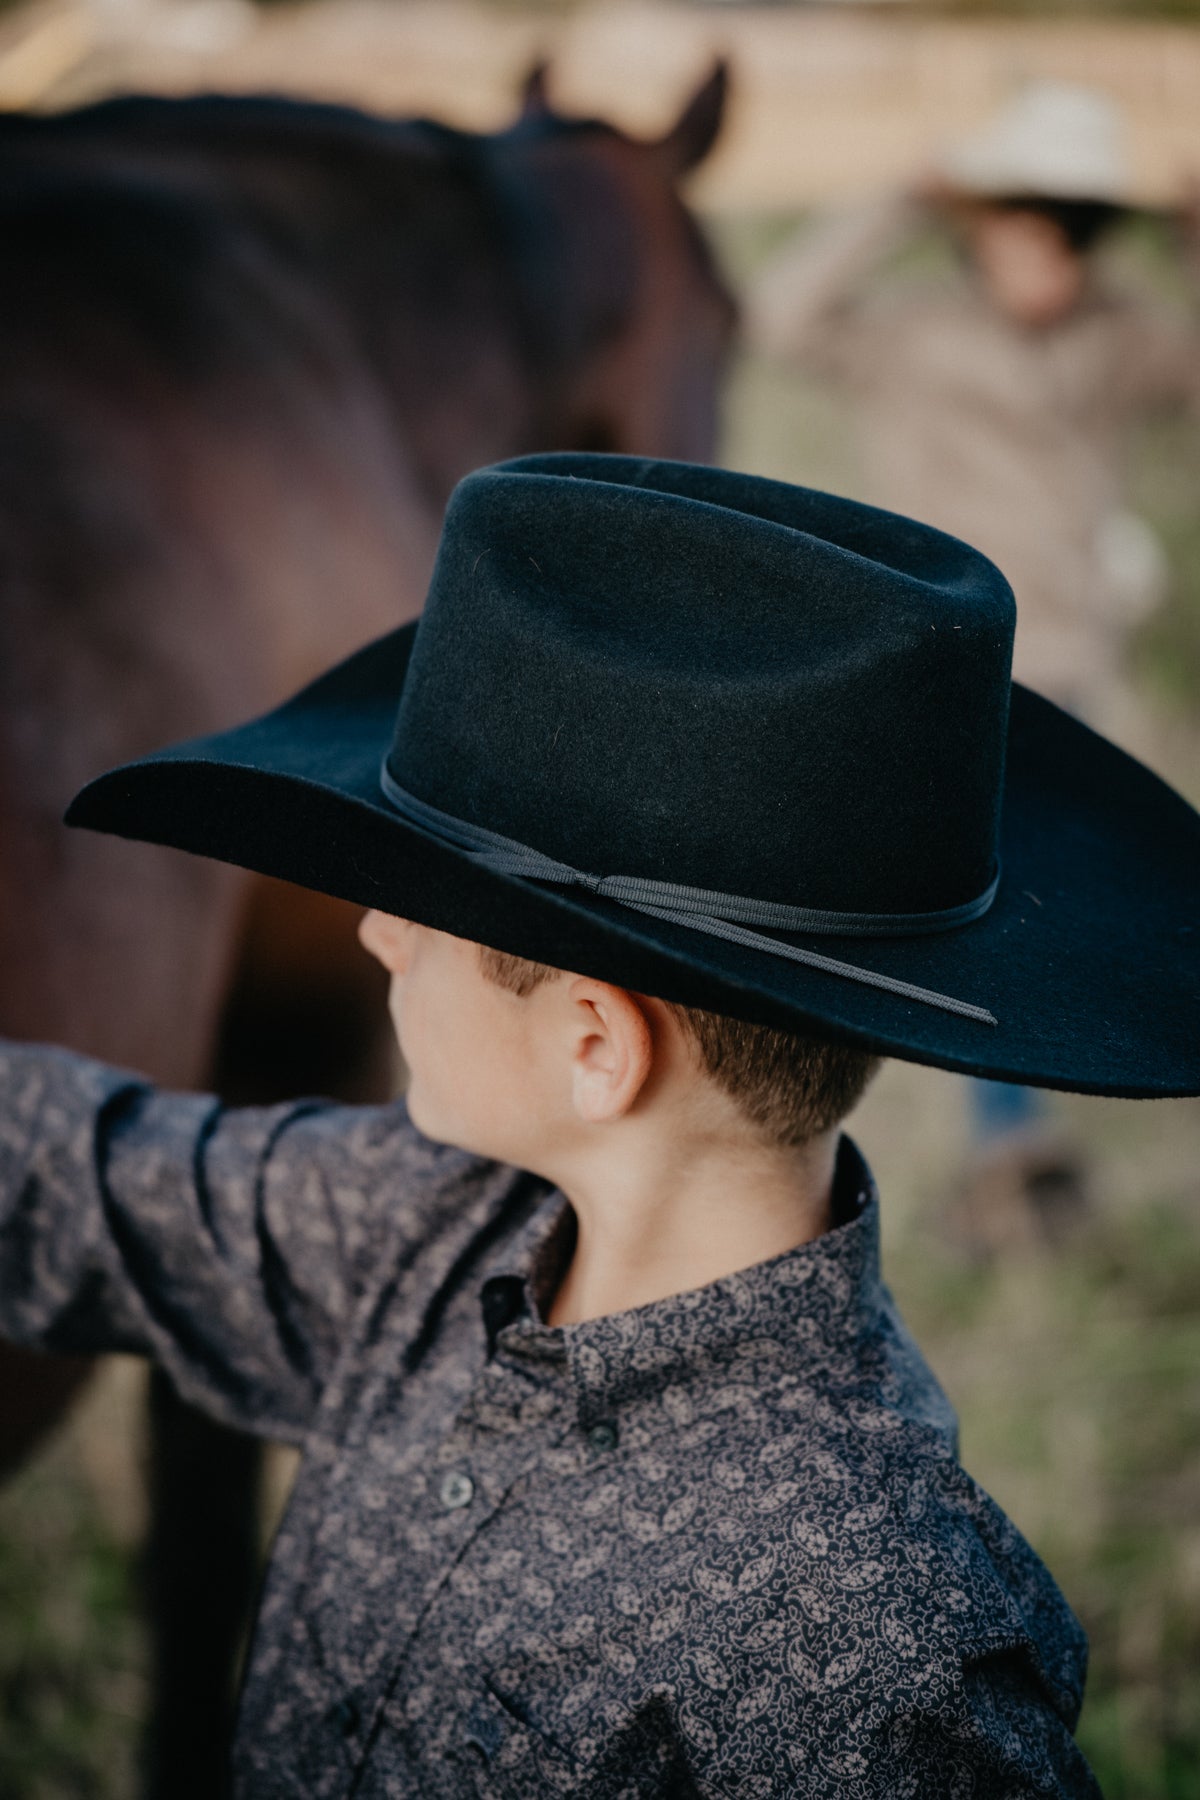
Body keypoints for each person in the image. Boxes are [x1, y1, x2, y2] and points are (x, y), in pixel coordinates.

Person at [3, 454, 1198, 1796]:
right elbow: (77, 1179)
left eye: (426, 908)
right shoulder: (427, 1225)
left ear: (593, 1048)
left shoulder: (878, 1660)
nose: (374, 929)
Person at [749, 82, 1200, 1242]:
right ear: (984, 223)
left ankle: (1010, 1151)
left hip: (1064, 657)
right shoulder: (913, 330)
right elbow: (776, 311)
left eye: (1078, 235)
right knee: (921, 901)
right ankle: (959, 1145)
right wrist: (894, 204)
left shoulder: (1123, 336)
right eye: (1029, 228)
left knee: (1027, 902)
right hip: (929, 656)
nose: (1052, 263)